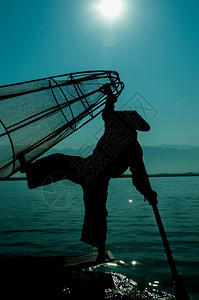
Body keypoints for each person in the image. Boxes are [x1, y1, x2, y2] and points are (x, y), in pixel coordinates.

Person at [19, 84, 157, 261]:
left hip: (98, 177)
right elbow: (108, 111)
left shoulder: (132, 147)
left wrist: (148, 192)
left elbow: (139, 175)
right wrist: (109, 96)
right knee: (59, 160)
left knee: (97, 212)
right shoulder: (114, 123)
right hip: (87, 167)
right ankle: (31, 172)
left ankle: (100, 252)